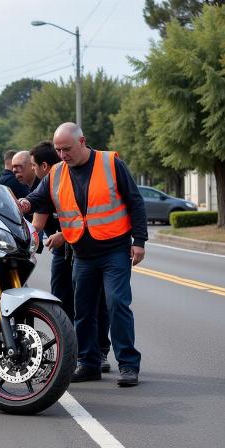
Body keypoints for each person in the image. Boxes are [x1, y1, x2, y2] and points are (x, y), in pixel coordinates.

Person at [20, 122, 147, 387]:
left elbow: (135, 201)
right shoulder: (56, 172)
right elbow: (38, 198)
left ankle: (128, 365)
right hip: (82, 253)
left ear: (82, 141)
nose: (63, 154)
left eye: (66, 149)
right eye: (58, 150)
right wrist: (25, 203)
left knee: (116, 303)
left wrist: (140, 241)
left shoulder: (111, 164)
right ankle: (88, 363)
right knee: (83, 311)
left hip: (114, 250)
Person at [29, 140, 112, 373]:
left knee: (96, 303)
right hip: (62, 251)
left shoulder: (74, 178)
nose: (29, 169)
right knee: (62, 300)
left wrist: (63, 235)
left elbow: (88, 217)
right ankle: (73, 351)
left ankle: (100, 352)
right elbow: (37, 223)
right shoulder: (46, 184)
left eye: (33, 165)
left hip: (86, 249)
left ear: (44, 166)